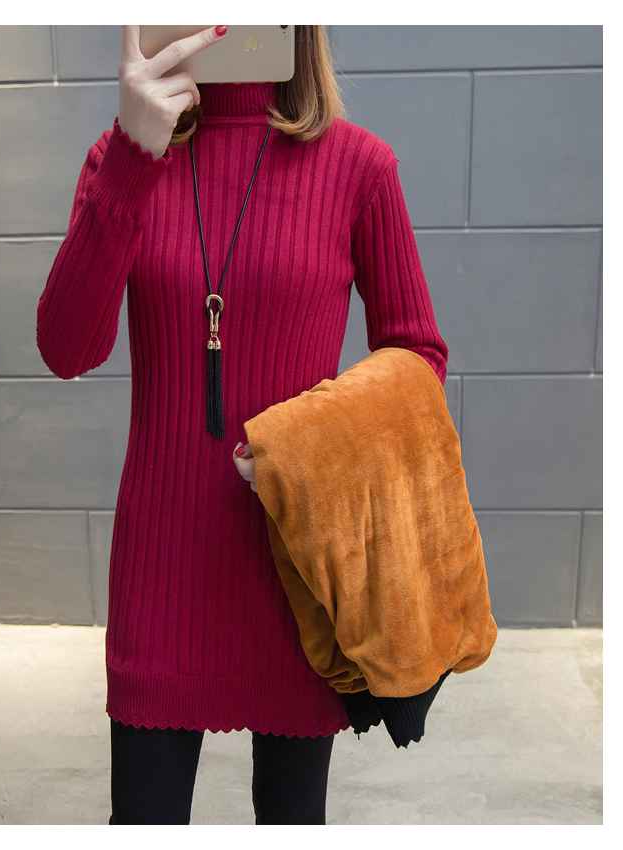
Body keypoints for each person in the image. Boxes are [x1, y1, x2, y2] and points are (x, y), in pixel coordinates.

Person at [36, 24, 448, 825]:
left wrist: (317, 441)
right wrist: (132, 155)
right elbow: (66, 349)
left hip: (297, 567)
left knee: (292, 820)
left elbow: (417, 352)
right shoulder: (121, 159)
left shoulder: (359, 166)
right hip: (162, 570)